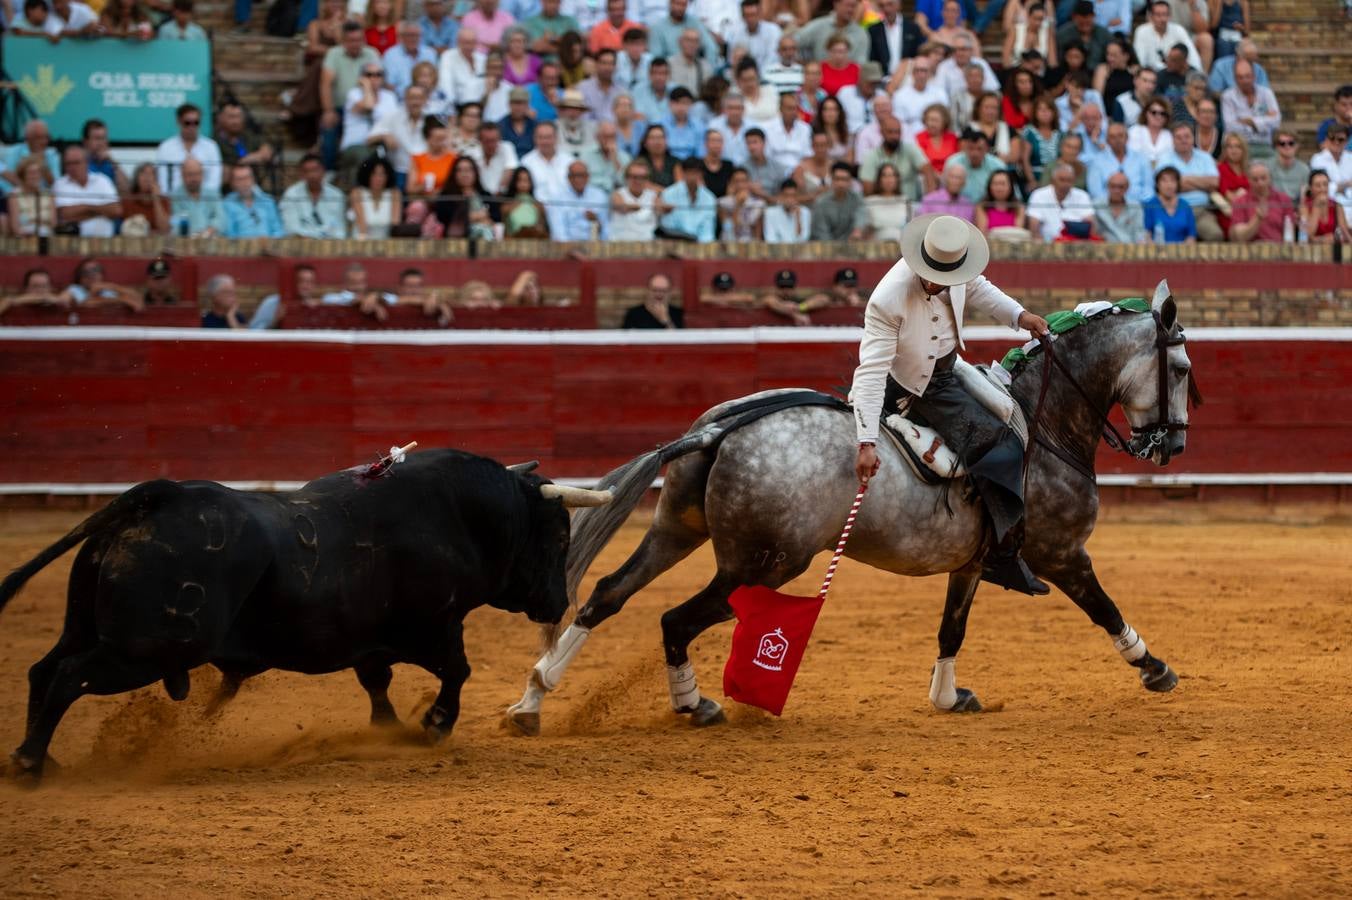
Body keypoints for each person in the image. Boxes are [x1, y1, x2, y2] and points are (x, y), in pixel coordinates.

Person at [851, 213, 1052, 594]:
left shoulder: (957, 268)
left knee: (1011, 419)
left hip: (949, 369)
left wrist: (1020, 315)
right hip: (917, 386)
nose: (937, 283)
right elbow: (871, 371)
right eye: (931, 276)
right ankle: (1001, 556)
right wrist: (866, 441)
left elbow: (980, 289)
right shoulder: (887, 299)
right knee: (1005, 447)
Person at [1156, 121, 1222, 239]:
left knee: (1215, 235)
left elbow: (1214, 183)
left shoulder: (1205, 157)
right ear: (1173, 140)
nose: (1183, 140)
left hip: (1201, 210)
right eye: (1179, 137)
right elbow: (1165, 188)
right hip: (1174, 210)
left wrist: (1186, 180)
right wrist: (1202, 184)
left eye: (1187, 136)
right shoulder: (1165, 158)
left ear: (1193, 138)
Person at [54, 146, 122, 238]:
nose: (72, 167)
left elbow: (116, 210)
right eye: (68, 164)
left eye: (76, 163)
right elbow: (64, 214)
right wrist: (100, 210)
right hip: (72, 242)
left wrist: (84, 209)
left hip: (105, 242)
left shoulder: (102, 180)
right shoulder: (59, 184)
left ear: (86, 162)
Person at [155, 104, 222, 194]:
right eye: (187, 123)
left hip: (204, 199)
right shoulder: (166, 147)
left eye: (196, 123)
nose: (192, 127)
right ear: (178, 122)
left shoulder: (211, 147)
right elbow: (163, 181)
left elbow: (214, 181)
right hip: (173, 199)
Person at [1087, 121, 1154, 203]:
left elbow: (1149, 188)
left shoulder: (1141, 158)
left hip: (1139, 205)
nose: (1117, 140)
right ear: (1107, 140)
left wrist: (1137, 204)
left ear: (1127, 138)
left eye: (1120, 136)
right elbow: (1095, 192)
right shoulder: (1097, 161)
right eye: (1112, 137)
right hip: (1107, 207)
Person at [1027, 162, 1095, 240]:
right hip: (1046, 243)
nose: (1065, 184)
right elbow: (1034, 225)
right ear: (1052, 181)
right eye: (1062, 180)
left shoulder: (1082, 196)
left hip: (1075, 242)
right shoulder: (1038, 195)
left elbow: (1090, 224)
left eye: (1069, 180)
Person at [1228, 162, 1292, 243]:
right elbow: (1239, 237)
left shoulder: (1284, 199)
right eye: (1255, 179)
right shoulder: (1240, 201)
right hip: (1250, 249)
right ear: (1249, 180)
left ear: (1270, 178)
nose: (1260, 183)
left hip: (1278, 248)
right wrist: (1257, 218)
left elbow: (1290, 234)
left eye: (1263, 178)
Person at [548, 160, 611, 240]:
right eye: (574, 176)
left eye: (582, 176)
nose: (578, 179)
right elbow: (559, 232)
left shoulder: (600, 196)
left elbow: (606, 229)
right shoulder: (557, 198)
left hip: (595, 244)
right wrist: (571, 247)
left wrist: (596, 220)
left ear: (588, 177)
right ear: (568, 178)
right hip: (567, 245)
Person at [658, 159, 717, 241]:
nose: (692, 176)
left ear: (702, 174)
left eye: (696, 172)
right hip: (674, 243)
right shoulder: (668, 194)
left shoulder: (710, 198)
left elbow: (708, 232)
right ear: (683, 173)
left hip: (701, 245)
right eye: (689, 172)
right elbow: (668, 228)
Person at [1134, 1, 1201, 72]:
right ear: (1151, 16)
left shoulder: (1178, 30)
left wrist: (1197, 72)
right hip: (1151, 74)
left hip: (1174, 73)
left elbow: (1192, 55)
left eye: (1165, 14)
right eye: (1158, 15)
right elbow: (1140, 59)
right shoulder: (1142, 31)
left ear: (1170, 16)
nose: (1162, 19)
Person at [222, 164, 284, 238]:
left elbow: (278, 230)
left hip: (269, 244)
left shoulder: (268, 201)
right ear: (232, 183)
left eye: (247, 178)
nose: (244, 183)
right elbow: (229, 234)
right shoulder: (227, 204)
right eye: (239, 179)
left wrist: (271, 242)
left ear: (253, 179)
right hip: (241, 244)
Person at [811, 162, 868, 239]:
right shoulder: (821, 203)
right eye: (837, 179)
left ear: (850, 181)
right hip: (825, 244)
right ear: (831, 179)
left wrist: (857, 230)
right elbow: (821, 233)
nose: (840, 184)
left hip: (851, 243)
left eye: (844, 179)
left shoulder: (857, 199)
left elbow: (861, 216)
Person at [350, 155, 401, 238]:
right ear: (367, 175)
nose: (378, 178)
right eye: (374, 174)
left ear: (387, 176)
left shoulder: (395, 193)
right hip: (361, 240)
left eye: (382, 174)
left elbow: (395, 224)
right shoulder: (357, 193)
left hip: (386, 242)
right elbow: (362, 225)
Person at [64, 258, 143, 312]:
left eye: (95, 270)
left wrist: (110, 286)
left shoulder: (108, 291)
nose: (91, 275)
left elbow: (137, 299)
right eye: (85, 272)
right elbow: (86, 304)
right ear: (79, 278)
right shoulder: (75, 289)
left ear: (102, 274)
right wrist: (121, 300)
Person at [610, 160, 662, 240]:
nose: (638, 181)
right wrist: (636, 207)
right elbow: (622, 207)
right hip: (621, 242)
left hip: (648, 242)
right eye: (634, 177)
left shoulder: (653, 196)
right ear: (626, 178)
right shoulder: (617, 194)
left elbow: (661, 210)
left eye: (643, 177)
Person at [1142, 165, 1196, 242]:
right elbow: (1146, 234)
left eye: (1173, 181)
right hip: (1156, 248)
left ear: (1178, 184)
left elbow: (1191, 235)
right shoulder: (1150, 205)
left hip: (1182, 248)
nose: (1169, 185)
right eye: (1164, 181)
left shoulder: (1185, 205)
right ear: (1157, 184)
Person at [6, 157, 56, 237]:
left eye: (38, 172)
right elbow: (15, 228)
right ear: (23, 175)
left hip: (46, 236)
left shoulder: (49, 195)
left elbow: (53, 223)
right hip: (24, 236)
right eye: (31, 173)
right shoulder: (14, 195)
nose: (35, 176)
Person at [1310, 125, 1352, 220]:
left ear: (1346, 141)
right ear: (1326, 140)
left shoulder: (1351, 158)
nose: (1336, 142)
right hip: (1328, 207)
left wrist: (1335, 186)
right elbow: (1320, 188)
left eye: (1340, 139)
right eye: (1332, 138)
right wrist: (1346, 185)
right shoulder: (1317, 159)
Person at [1299, 170, 1352, 243]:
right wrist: (1317, 206)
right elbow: (1306, 236)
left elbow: (1345, 234)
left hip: (1333, 248)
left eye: (1325, 184)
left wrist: (1335, 237)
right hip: (1311, 249)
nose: (1322, 189)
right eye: (1318, 185)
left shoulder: (1336, 205)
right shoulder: (1304, 207)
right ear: (1311, 188)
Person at [1095, 171, 1147, 241]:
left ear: (1127, 188)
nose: (1117, 190)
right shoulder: (1096, 205)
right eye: (1113, 186)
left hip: (1130, 246)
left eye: (1121, 187)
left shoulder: (1136, 207)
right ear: (1107, 186)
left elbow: (1139, 232)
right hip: (1103, 246)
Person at [864, 163, 911, 241]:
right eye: (884, 176)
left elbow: (911, 229)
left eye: (892, 175)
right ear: (879, 179)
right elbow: (865, 231)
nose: (889, 179)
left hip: (901, 245)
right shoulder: (869, 202)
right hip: (876, 245)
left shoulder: (905, 201)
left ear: (897, 179)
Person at [121, 163, 171, 236]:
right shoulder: (128, 200)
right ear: (137, 178)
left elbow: (164, 229)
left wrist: (156, 199)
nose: (147, 177)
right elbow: (126, 229)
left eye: (151, 174)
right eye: (143, 173)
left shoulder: (164, 201)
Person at [975, 168, 1027, 236]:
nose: (999, 188)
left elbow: (1018, 234)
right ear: (989, 186)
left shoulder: (1019, 207)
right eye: (995, 184)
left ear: (1011, 186)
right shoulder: (982, 206)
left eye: (1003, 184)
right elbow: (983, 233)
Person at [718, 167, 766, 240]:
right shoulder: (722, 202)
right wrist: (738, 204)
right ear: (730, 183)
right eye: (736, 181)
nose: (740, 185)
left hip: (750, 244)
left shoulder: (759, 204)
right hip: (728, 242)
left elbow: (757, 235)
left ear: (749, 182)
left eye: (744, 181)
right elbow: (728, 230)